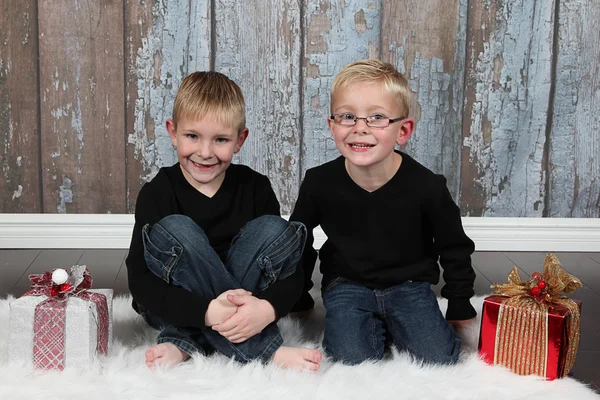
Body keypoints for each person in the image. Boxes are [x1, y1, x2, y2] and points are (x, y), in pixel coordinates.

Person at [126, 71, 322, 371]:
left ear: (240, 139)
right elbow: (141, 280)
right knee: (177, 229)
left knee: (274, 228)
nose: (205, 153)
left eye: (220, 139)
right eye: (192, 136)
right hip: (173, 303)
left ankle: (186, 340)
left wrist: (267, 309)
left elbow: (287, 270)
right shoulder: (158, 192)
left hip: (247, 300)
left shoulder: (255, 187)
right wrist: (207, 311)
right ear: (173, 131)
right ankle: (264, 350)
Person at [290, 59, 476, 365]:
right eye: (348, 116)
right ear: (332, 125)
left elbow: (454, 246)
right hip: (347, 284)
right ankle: (366, 327)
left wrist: (459, 305)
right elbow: (299, 242)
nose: (360, 128)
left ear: (403, 130)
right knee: (351, 359)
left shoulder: (426, 186)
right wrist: (297, 297)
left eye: (376, 117)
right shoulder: (319, 182)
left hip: (409, 285)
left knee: (437, 358)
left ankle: (396, 325)